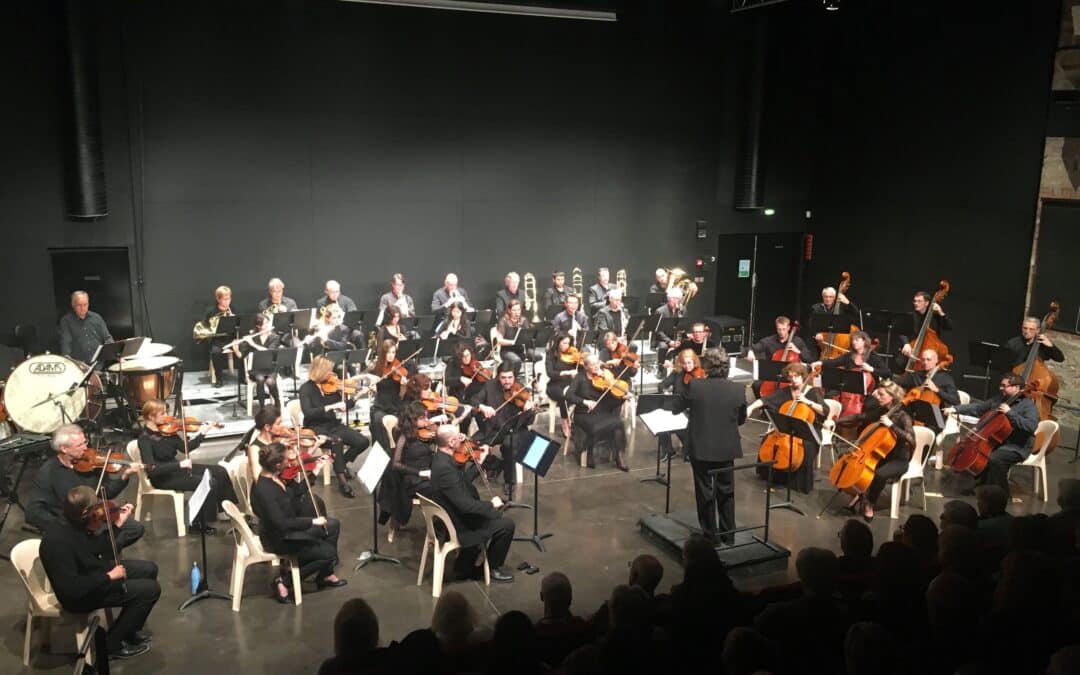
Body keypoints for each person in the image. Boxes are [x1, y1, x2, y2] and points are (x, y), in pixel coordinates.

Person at [40, 485, 160, 660]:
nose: (99, 511)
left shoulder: (73, 523)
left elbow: (96, 547)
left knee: (149, 569)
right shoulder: (58, 542)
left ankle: (128, 629)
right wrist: (109, 577)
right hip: (80, 596)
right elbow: (71, 589)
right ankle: (112, 645)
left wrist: (118, 523)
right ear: (83, 513)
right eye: (95, 507)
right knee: (150, 590)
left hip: (92, 571)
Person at [251, 442, 346, 602]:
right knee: (329, 554)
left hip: (290, 531)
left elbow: (295, 492)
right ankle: (283, 581)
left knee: (333, 525)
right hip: (280, 538)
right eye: (286, 460)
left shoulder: (276, 477)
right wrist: (312, 521)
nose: (290, 462)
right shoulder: (265, 490)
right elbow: (281, 523)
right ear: (277, 464)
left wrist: (315, 471)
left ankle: (324, 575)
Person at [671, 348, 747, 544]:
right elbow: (741, 420)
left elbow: (676, 408)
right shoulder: (738, 389)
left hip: (701, 447)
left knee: (705, 491)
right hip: (726, 448)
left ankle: (710, 537)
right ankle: (728, 536)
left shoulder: (695, 386)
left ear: (706, 367)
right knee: (726, 490)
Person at [26, 424, 144, 548]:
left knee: (135, 529)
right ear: (64, 448)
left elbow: (107, 492)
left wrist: (124, 476)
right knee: (101, 540)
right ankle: (97, 552)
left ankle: (100, 550)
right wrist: (64, 527)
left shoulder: (90, 463)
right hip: (72, 526)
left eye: (85, 442)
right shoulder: (48, 472)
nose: (86, 448)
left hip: (97, 518)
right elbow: (33, 512)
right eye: (80, 445)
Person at [429, 424, 515, 582]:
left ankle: (464, 565)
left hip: (453, 513)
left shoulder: (441, 458)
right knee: (506, 524)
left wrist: (479, 463)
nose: (462, 439)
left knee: (496, 514)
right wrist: (491, 505)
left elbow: (462, 481)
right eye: (458, 437)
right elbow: (465, 506)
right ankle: (492, 568)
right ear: (450, 443)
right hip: (457, 524)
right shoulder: (445, 469)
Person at [138, 399, 236, 533]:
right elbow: (152, 470)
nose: (166, 416)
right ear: (150, 416)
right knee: (209, 482)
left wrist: (202, 433)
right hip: (163, 477)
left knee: (220, 470)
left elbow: (186, 449)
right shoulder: (145, 439)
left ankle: (227, 510)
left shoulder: (167, 431)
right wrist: (179, 465)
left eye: (166, 412)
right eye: (162, 414)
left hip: (178, 469)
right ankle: (197, 524)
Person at [944, 373, 1039, 497]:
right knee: (986, 456)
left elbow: (1031, 426)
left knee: (995, 459)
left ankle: (1002, 493)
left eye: (1004, 386)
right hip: (997, 442)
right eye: (1001, 385)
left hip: (1016, 446)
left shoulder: (1028, 406)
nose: (1000, 388)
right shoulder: (999, 399)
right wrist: (955, 409)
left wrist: (1010, 413)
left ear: (1017, 388)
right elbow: (978, 408)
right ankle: (983, 487)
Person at [835, 380, 914, 522]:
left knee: (879, 474)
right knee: (848, 459)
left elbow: (911, 439)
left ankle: (869, 503)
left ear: (892, 396)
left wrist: (892, 426)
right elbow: (859, 418)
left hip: (898, 459)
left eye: (881, 394)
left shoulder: (903, 416)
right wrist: (835, 421)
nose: (877, 396)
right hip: (879, 455)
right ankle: (859, 493)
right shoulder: (880, 411)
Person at [746, 361, 827, 494]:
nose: (793, 380)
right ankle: (771, 476)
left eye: (796, 376)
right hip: (787, 430)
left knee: (807, 447)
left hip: (808, 431)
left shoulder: (812, 392)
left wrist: (808, 402)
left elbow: (825, 411)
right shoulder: (786, 391)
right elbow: (766, 400)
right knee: (767, 439)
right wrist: (751, 407)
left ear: (803, 376)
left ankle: (797, 483)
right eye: (790, 377)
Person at [299, 355, 371, 497]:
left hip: (333, 424)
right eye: (328, 371)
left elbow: (343, 406)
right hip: (316, 427)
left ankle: (341, 463)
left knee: (363, 441)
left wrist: (356, 396)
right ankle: (342, 481)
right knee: (336, 441)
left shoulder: (331, 385)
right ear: (319, 371)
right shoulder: (306, 389)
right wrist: (330, 406)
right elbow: (308, 413)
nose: (331, 374)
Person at [472, 361, 537, 499]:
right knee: (470, 445)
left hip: (515, 429)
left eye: (510, 378)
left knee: (509, 445)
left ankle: (509, 481)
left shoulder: (521, 390)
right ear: (498, 377)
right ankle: (495, 464)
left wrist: (529, 411)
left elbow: (530, 421)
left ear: (514, 377)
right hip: (493, 429)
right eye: (503, 378)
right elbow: (474, 400)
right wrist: (482, 407)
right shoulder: (490, 386)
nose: (507, 382)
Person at [379, 400, 436, 541]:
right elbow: (396, 464)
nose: (427, 421)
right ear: (412, 419)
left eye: (427, 417)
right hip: (412, 477)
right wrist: (419, 473)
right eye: (423, 418)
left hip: (429, 471)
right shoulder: (403, 436)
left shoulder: (426, 433)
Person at [565, 354, 630, 471]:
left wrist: (621, 399)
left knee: (618, 423)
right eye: (592, 365)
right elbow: (568, 395)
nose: (596, 367)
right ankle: (589, 450)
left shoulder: (603, 378)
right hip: (583, 414)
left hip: (601, 412)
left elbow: (610, 403)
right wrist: (584, 401)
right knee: (600, 426)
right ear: (586, 367)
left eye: (597, 364)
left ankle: (619, 456)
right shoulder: (580, 378)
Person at [812, 330, 890, 418]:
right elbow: (834, 362)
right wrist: (820, 363)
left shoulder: (873, 357)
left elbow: (887, 373)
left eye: (857, 340)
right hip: (848, 388)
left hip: (866, 392)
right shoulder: (849, 356)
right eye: (853, 340)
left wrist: (871, 369)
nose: (854, 342)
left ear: (864, 341)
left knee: (869, 406)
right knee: (830, 395)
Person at [367, 338, 415, 459]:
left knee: (404, 423)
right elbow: (373, 389)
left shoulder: (399, 368)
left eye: (393, 352)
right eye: (388, 352)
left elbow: (401, 396)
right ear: (383, 353)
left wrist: (404, 386)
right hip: (380, 406)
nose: (391, 356)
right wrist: (372, 385)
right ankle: (382, 457)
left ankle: (396, 456)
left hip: (395, 406)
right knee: (379, 422)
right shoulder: (377, 368)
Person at [747, 315, 814, 398]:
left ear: (789, 328)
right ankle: (763, 408)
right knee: (756, 385)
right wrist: (750, 351)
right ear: (776, 328)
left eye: (784, 329)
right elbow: (752, 347)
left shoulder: (797, 341)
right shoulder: (769, 341)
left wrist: (797, 351)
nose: (781, 332)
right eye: (779, 329)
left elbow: (810, 359)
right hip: (772, 375)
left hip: (791, 377)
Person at [234, 313, 282, 409]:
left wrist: (253, 344)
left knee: (270, 382)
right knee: (260, 379)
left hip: (270, 367)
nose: (268, 326)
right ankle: (262, 408)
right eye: (265, 324)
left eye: (268, 323)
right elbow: (242, 357)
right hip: (256, 368)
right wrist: (236, 349)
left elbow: (268, 352)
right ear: (258, 326)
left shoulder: (274, 337)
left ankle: (277, 402)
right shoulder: (252, 337)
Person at [894, 348, 961, 414]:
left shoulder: (945, 378)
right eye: (923, 360)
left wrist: (937, 390)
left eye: (929, 360)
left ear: (936, 361)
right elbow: (896, 382)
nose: (925, 362)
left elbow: (956, 401)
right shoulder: (916, 375)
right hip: (914, 414)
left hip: (936, 416)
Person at [897, 290, 952, 370]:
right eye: (915, 301)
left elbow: (949, 327)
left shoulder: (935, 316)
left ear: (926, 303)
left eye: (919, 301)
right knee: (899, 362)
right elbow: (901, 331)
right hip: (912, 350)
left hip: (930, 351)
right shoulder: (910, 316)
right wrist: (906, 344)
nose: (916, 303)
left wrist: (941, 312)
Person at [59, 290, 113, 365]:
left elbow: (107, 338)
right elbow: (66, 343)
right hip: (79, 366)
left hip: (98, 364)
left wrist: (113, 352)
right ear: (73, 305)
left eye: (85, 304)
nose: (83, 308)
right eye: (79, 305)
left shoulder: (96, 318)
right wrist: (67, 359)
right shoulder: (66, 321)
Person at [493, 298, 541, 375]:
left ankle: (534, 379)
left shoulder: (523, 320)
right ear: (509, 311)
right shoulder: (503, 321)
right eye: (514, 310)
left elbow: (528, 335)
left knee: (538, 356)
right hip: (507, 351)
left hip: (521, 349)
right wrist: (513, 342)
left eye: (518, 310)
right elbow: (499, 340)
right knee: (516, 360)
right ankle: (513, 380)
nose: (517, 312)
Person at [545, 333, 579, 439]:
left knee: (582, 393)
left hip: (569, 383)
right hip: (554, 385)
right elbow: (550, 373)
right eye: (564, 343)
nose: (567, 346)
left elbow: (580, 368)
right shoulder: (551, 354)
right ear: (558, 342)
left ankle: (576, 421)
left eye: (569, 343)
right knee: (563, 396)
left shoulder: (572, 353)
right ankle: (565, 422)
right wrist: (566, 373)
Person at [203, 285, 235, 385]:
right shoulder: (211, 311)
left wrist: (234, 320)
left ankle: (243, 377)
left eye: (229, 298)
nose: (227, 301)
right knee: (216, 352)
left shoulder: (233, 309)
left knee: (244, 348)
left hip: (231, 339)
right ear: (218, 299)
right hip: (217, 340)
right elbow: (204, 326)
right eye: (224, 299)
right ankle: (219, 378)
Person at [650, 287, 686, 370]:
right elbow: (658, 331)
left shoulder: (682, 309)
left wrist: (679, 339)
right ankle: (660, 367)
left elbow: (683, 325)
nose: (676, 301)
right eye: (674, 298)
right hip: (662, 338)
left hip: (677, 337)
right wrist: (669, 341)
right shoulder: (660, 311)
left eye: (678, 299)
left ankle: (680, 367)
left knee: (687, 344)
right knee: (663, 346)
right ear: (668, 298)